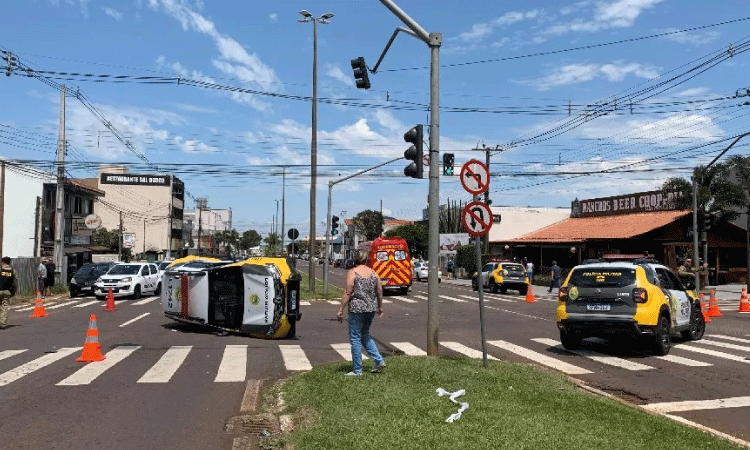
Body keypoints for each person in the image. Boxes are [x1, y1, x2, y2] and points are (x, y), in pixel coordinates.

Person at [337, 248, 386, 376]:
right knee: (365, 334)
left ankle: (357, 370)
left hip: (356, 309)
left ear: (356, 258)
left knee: (355, 339)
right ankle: (379, 360)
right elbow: (379, 291)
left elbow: (348, 292)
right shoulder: (374, 273)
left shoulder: (353, 272)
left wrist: (341, 309)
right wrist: (380, 307)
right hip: (370, 308)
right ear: (367, 259)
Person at [0, 256, 18, 329]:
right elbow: (15, 282)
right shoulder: (12, 271)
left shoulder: (0, 269)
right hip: (7, 291)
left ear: (3, 262)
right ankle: (2, 323)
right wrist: (14, 291)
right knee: (4, 308)